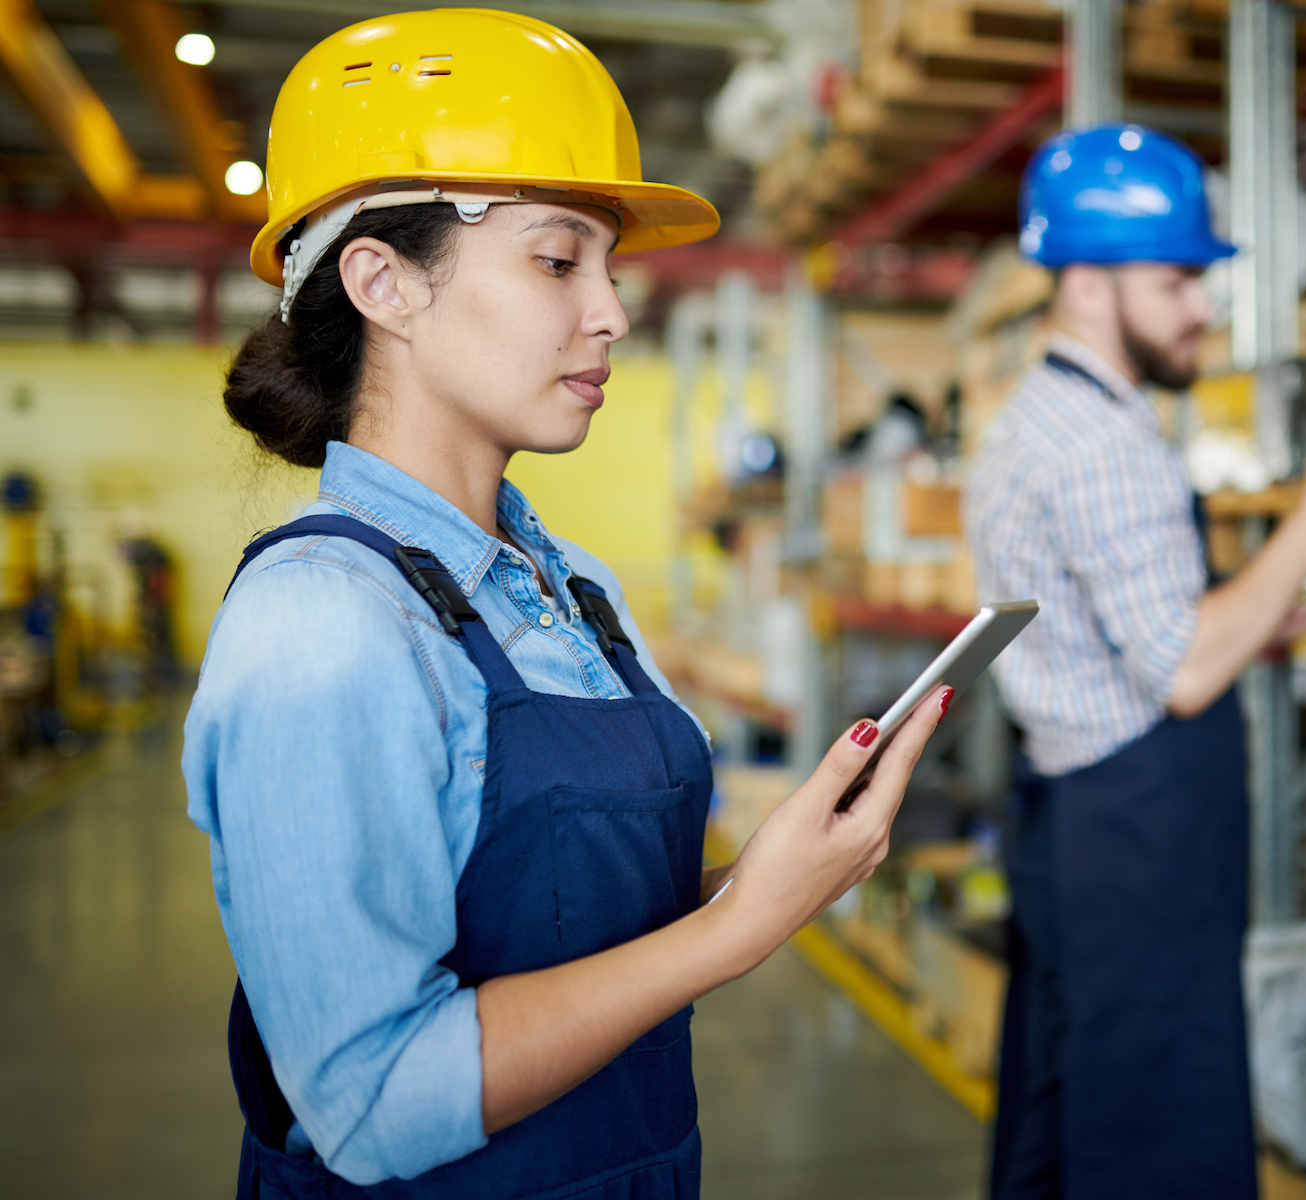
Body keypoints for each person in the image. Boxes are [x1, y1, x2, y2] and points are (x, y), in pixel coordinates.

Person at [182, 11, 950, 1198]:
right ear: (381, 282)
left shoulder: (572, 589)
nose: (613, 313)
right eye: (557, 260)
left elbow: (555, 924)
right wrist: (732, 932)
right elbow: (372, 1105)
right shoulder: (323, 625)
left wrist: (774, 877)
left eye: (610, 265)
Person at [963, 124, 1306, 1199]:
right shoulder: (1104, 443)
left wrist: (1258, 614)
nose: (1204, 306)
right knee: (1157, 1119)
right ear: (1092, 285)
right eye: (1178, 281)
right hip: (1139, 829)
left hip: (1075, 815)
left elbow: (1128, 621)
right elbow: (1186, 670)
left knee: (1068, 1096)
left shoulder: (1040, 417)